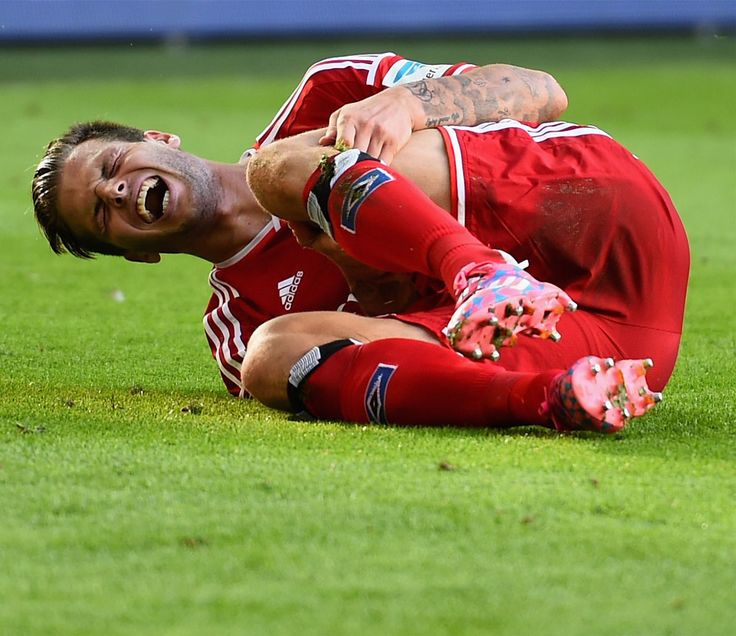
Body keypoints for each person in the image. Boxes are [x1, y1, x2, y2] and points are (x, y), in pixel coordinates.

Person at [31, 53, 689, 433]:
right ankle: (550, 400)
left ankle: (480, 274)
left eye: (113, 165)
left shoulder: (329, 89)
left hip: (596, 217)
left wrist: (410, 106)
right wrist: (369, 277)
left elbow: (542, 91)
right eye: (100, 214)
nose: (117, 192)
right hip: (597, 344)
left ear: (159, 140)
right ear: (139, 253)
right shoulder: (239, 325)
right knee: (273, 358)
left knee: (280, 169)